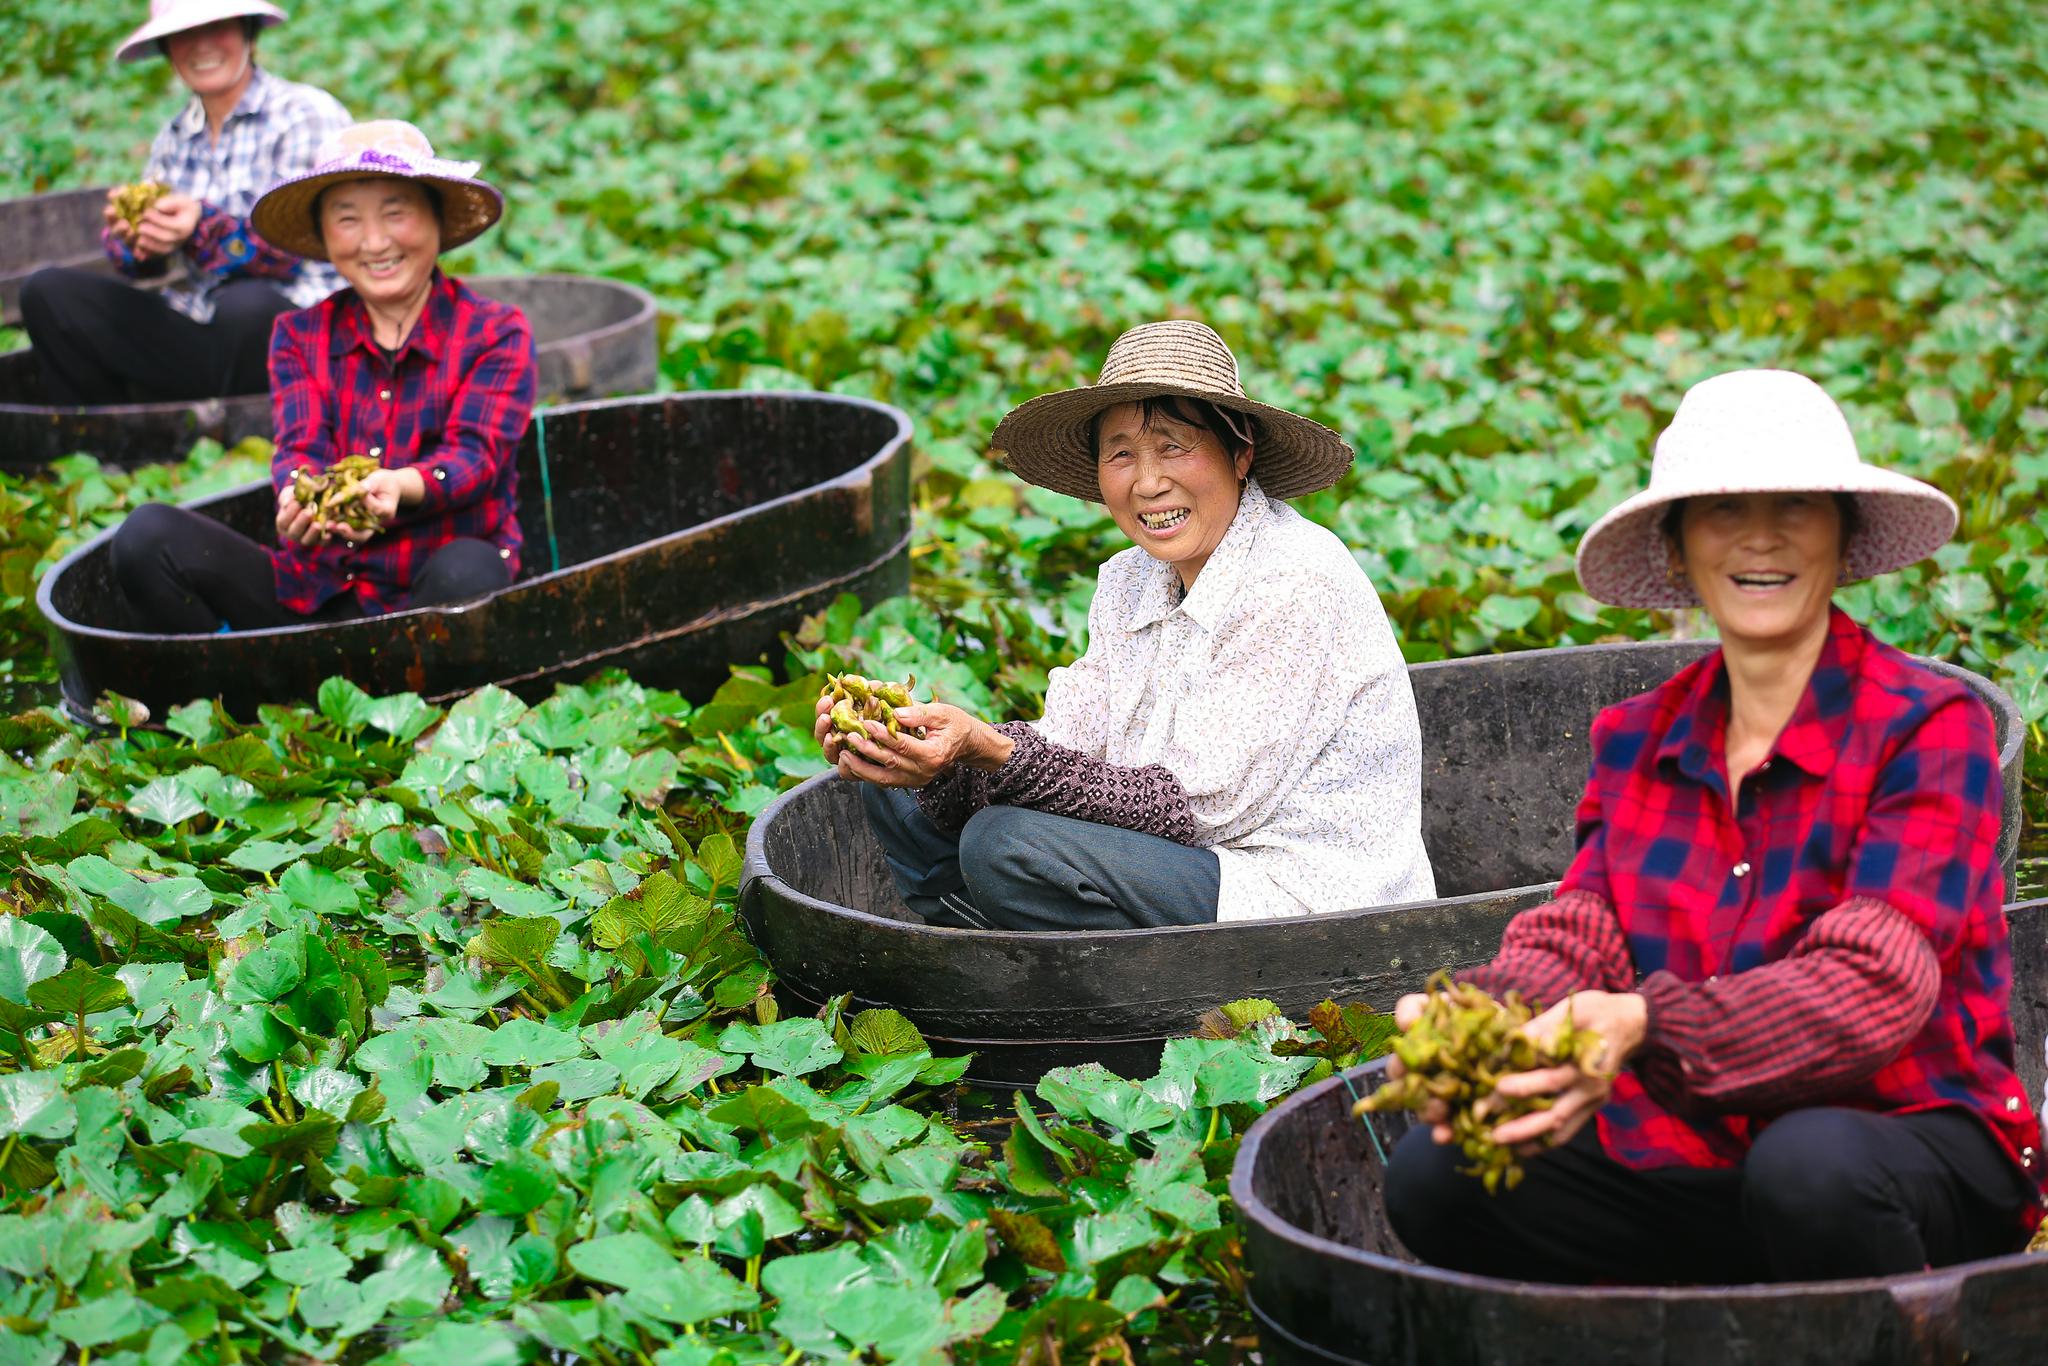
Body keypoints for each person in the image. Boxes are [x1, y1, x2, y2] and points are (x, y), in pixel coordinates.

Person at [1382, 369, 2044, 1283]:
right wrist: (1489, 1013)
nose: (1760, 538)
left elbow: (1876, 984)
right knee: (1435, 1172)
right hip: (1703, 1150)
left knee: (1808, 1171)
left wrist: (1646, 1023)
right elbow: (1585, 930)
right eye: (1723, 510)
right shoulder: (1640, 738)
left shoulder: (1927, 728)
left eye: (1796, 507)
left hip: (1905, 1144)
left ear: (1844, 536)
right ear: (1679, 548)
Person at [816, 320, 1437, 930]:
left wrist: (990, 750)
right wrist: (939, 756)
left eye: (1174, 447)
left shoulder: (1297, 577)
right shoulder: (1129, 580)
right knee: (894, 779)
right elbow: (1071, 742)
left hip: (1296, 890)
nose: (1148, 482)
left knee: (1004, 845)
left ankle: (1018, 956)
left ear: (1240, 453)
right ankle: (989, 946)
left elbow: (1200, 810)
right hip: (1184, 856)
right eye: (1121, 454)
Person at [108, 120, 534, 632]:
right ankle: (233, 683)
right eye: (347, 219)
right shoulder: (299, 335)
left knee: (471, 570)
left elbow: (475, 457)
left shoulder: (494, 331)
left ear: (437, 220)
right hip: (319, 593)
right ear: (325, 236)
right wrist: (295, 496)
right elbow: (300, 447)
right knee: (145, 535)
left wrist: (401, 484)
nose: (375, 242)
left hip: (433, 594)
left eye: (395, 213)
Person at [18, 0, 349, 405]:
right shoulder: (174, 138)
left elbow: (301, 242)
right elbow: (151, 265)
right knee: (47, 291)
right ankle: (110, 441)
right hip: (202, 331)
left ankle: (246, 427)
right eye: (185, 34)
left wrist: (202, 227)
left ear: (247, 30)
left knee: (246, 305)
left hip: (295, 334)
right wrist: (138, 242)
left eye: (218, 27)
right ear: (167, 49)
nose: (202, 46)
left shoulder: (304, 113)